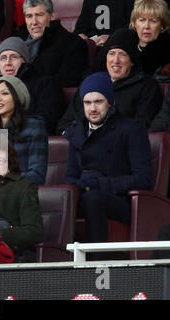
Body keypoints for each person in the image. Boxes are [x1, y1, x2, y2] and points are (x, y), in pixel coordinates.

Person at [65, 72, 153, 259]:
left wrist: (99, 184)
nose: (93, 108)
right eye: (87, 103)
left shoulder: (131, 129)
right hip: (83, 194)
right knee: (62, 200)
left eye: (99, 101)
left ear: (110, 102)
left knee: (93, 198)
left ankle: (97, 264)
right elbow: (70, 177)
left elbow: (144, 179)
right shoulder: (76, 133)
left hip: (120, 201)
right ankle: (58, 264)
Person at [57, 28, 163, 135]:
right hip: (82, 145)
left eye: (122, 54)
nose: (115, 61)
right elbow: (64, 125)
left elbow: (142, 126)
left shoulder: (147, 86)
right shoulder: (91, 84)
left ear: (132, 61)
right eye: (111, 53)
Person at [0, 76, 48, 185]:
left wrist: (5, 178)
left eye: (5, 93)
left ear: (18, 97)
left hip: (19, 193)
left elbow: (37, 175)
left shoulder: (34, 126)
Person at [0, 36, 66, 135]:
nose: (7, 63)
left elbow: (47, 120)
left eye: (14, 57)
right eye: (3, 58)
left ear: (24, 60)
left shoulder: (45, 84)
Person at [14, 0, 88, 88]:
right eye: (29, 16)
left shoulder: (73, 44)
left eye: (39, 15)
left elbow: (67, 83)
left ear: (52, 15)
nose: (34, 22)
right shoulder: (15, 41)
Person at [129, 0, 170, 77]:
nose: (147, 26)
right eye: (142, 20)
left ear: (162, 24)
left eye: (153, 21)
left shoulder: (166, 49)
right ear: (134, 23)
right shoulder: (124, 41)